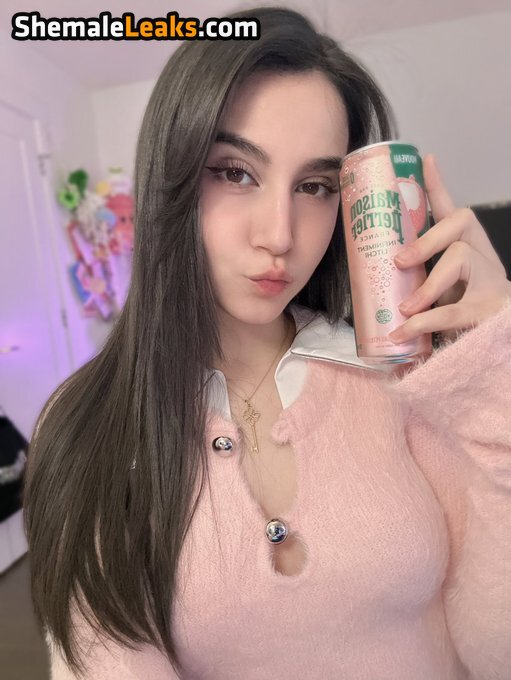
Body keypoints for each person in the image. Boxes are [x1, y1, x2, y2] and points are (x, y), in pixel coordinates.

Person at [23, 6, 511, 680]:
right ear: (170, 175)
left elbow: (496, 649)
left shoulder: (410, 378)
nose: (279, 235)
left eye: (313, 186)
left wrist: (494, 368)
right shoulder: (89, 427)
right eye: (234, 172)